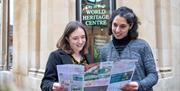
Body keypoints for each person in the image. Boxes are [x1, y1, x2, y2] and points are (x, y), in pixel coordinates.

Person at [99, 6, 158, 91]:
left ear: (130, 26)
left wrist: (139, 85)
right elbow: (103, 78)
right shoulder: (104, 50)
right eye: (115, 25)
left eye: (122, 26)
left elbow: (153, 75)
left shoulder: (142, 46)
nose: (117, 30)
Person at [40, 21, 91, 91]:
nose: (80, 41)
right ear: (67, 39)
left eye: (83, 37)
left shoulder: (88, 56)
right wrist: (53, 86)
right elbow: (45, 84)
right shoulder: (56, 56)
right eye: (75, 38)